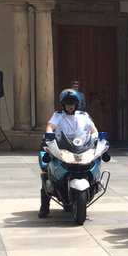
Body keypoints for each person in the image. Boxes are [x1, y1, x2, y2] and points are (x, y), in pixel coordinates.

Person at [39, 88, 98, 218]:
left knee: (95, 159)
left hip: (80, 147)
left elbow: (93, 129)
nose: (70, 106)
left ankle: (94, 183)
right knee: (47, 170)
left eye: (72, 103)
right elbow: (50, 126)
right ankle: (44, 206)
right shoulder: (58, 115)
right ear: (63, 104)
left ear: (76, 104)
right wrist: (49, 134)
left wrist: (95, 137)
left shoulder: (83, 116)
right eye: (67, 103)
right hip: (62, 147)